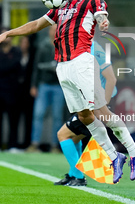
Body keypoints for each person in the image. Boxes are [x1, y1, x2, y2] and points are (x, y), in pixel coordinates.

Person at [0, 0, 135, 184]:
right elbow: (35, 25)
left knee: (100, 111)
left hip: (82, 61)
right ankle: (114, 156)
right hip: (63, 66)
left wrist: (103, 21)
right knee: (85, 116)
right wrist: (8, 33)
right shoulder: (62, 4)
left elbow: (101, 15)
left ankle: (134, 151)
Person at [55, 40, 117, 186]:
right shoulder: (77, 48)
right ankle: (72, 174)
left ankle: (79, 176)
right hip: (88, 103)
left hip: (96, 105)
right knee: (74, 138)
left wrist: (103, 106)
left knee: (62, 134)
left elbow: (111, 79)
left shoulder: (95, 49)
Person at [27, 24, 65, 153]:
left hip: (58, 85)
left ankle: (55, 145)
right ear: (49, 31)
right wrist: (34, 85)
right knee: (38, 115)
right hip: (44, 84)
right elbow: (36, 67)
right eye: (53, 30)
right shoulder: (43, 46)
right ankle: (35, 143)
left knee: (57, 117)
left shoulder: (63, 46)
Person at [0, 30, 22, 153]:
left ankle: (12, 145)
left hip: (12, 90)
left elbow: (15, 66)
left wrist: (1, 68)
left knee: (13, 118)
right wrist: (6, 69)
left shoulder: (16, 51)